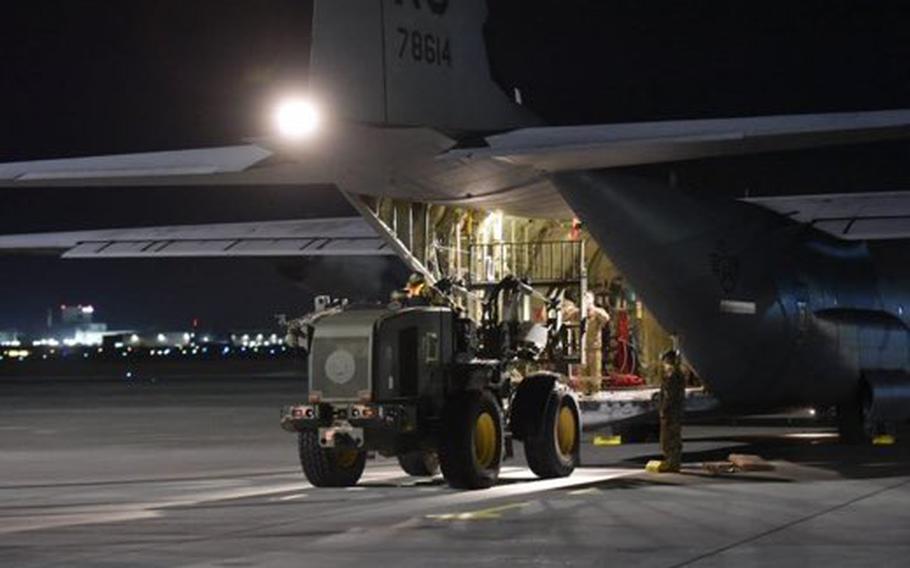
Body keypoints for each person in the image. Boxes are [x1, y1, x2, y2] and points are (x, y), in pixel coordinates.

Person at [657, 348, 685, 472]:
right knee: (673, 436)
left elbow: (669, 395)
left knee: (669, 437)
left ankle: (672, 462)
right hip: (676, 409)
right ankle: (673, 461)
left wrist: (664, 408)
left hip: (671, 410)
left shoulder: (672, 375)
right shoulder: (678, 373)